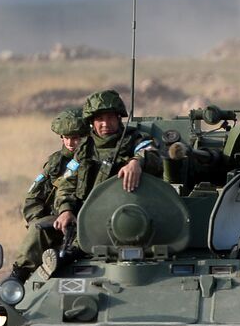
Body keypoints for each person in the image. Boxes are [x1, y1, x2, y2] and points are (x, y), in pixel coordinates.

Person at [0, 108, 88, 296]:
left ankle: (63, 257)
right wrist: (40, 221)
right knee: (38, 229)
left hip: (89, 221)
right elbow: (33, 197)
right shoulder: (56, 163)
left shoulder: (95, 158)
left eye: (76, 138)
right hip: (59, 221)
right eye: (66, 137)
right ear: (61, 137)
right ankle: (15, 280)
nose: (71, 143)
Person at [52, 89, 162, 234]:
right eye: (100, 119)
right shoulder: (84, 149)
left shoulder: (134, 139)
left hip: (129, 217)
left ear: (118, 118)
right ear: (92, 122)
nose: (105, 124)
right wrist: (66, 210)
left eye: (110, 117)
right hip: (87, 217)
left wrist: (136, 162)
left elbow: (150, 151)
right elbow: (67, 183)